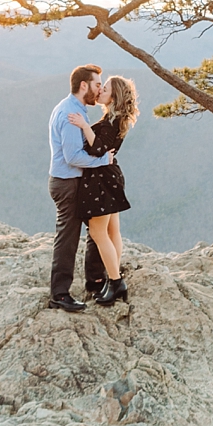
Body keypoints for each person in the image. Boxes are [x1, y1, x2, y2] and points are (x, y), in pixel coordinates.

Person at [46, 64, 114, 312]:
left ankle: (94, 281)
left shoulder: (76, 110)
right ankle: (60, 294)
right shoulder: (69, 113)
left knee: (96, 229)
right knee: (68, 237)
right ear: (83, 85)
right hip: (68, 183)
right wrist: (102, 160)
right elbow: (73, 156)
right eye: (97, 85)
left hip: (74, 181)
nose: (99, 90)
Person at [67, 75, 138, 306]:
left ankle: (116, 282)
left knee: (99, 233)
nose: (100, 91)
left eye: (104, 88)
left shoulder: (112, 122)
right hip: (109, 177)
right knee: (112, 232)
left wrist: (84, 125)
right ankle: (113, 278)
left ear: (113, 95)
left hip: (101, 181)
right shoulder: (115, 119)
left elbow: (98, 148)